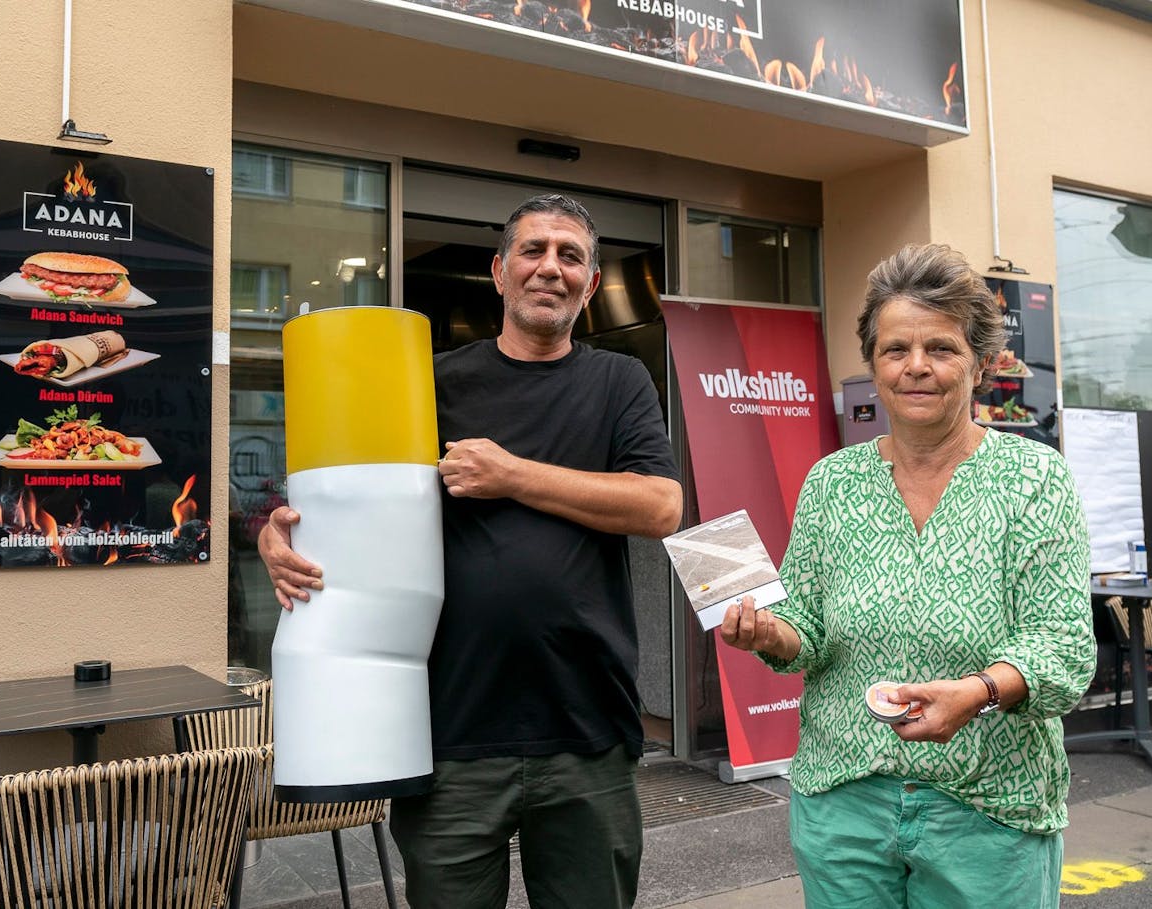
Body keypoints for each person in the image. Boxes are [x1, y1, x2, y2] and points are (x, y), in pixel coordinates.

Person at [259, 194, 682, 909]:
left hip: (588, 728)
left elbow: (660, 506)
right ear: (499, 271)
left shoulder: (617, 383)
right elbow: (337, 497)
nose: (551, 267)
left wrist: (512, 475)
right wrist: (277, 534)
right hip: (449, 730)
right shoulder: (430, 383)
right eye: (534, 250)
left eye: (570, 255)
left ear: (588, 280)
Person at [717, 243, 1093, 909]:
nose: (916, 366)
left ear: (978, 365)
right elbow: (808, 625)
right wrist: (769, 631)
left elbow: (1062, 647)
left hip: (987, 809)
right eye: (895, 350)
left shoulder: (1034, 479)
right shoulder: (833, 481)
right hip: (843, 805)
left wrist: (976, 693)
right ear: (873, 365)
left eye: (941, 348)